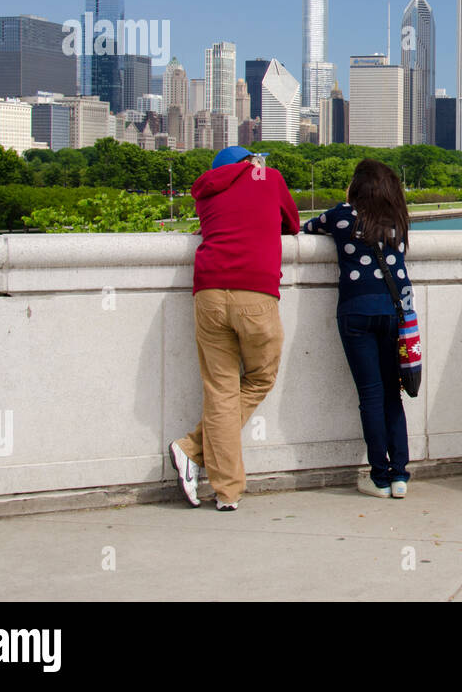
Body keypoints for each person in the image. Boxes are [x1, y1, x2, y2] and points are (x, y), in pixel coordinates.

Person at [169, 146, 300, 511]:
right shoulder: (268, 178)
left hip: (208, 291)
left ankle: (226, 490)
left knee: (220, 389)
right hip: (255, 293)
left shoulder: (205, 191)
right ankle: (192, 451)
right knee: (260, 377)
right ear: (249, 163)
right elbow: (291, 222)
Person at [303, 158, 412, 498]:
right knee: (393, 395)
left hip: (357, 313)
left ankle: (378, 477)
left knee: (371, 395)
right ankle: (400, 477)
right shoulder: (398, 220)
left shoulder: (341, 216)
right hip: (394, 314)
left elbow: (306, 228)